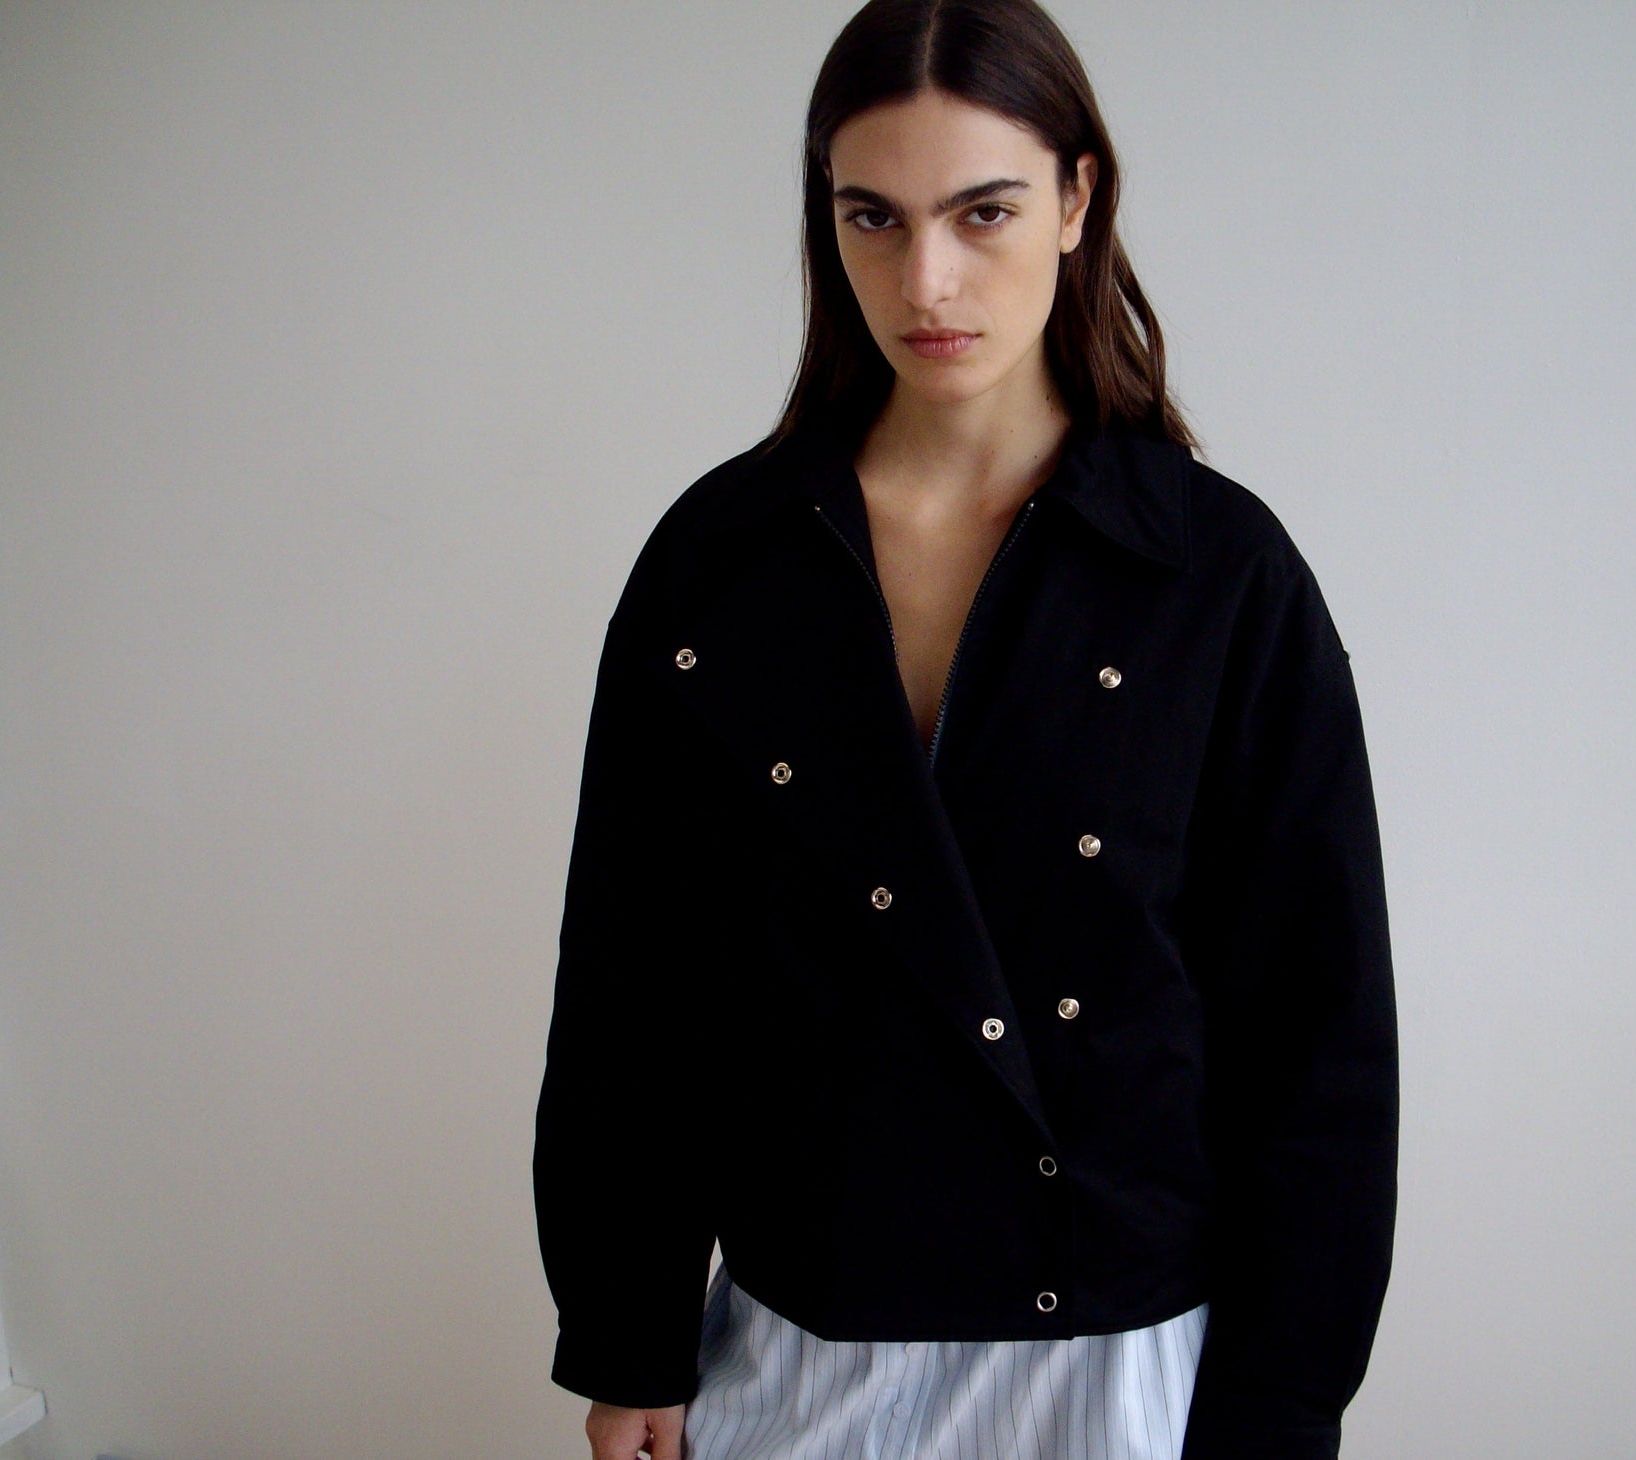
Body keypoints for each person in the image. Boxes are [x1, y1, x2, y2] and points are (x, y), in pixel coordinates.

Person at [532, 1, 1399, 1457]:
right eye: (871, 218)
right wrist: (628, 1337)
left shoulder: (1219, 574)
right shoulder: (721, 562)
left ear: (1076, 199)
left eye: (980, 212)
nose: (924, 278)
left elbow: (1315, 1037)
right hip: (797, 1341)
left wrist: (1278, 1403)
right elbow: (635, 985)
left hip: (1121, 1358)